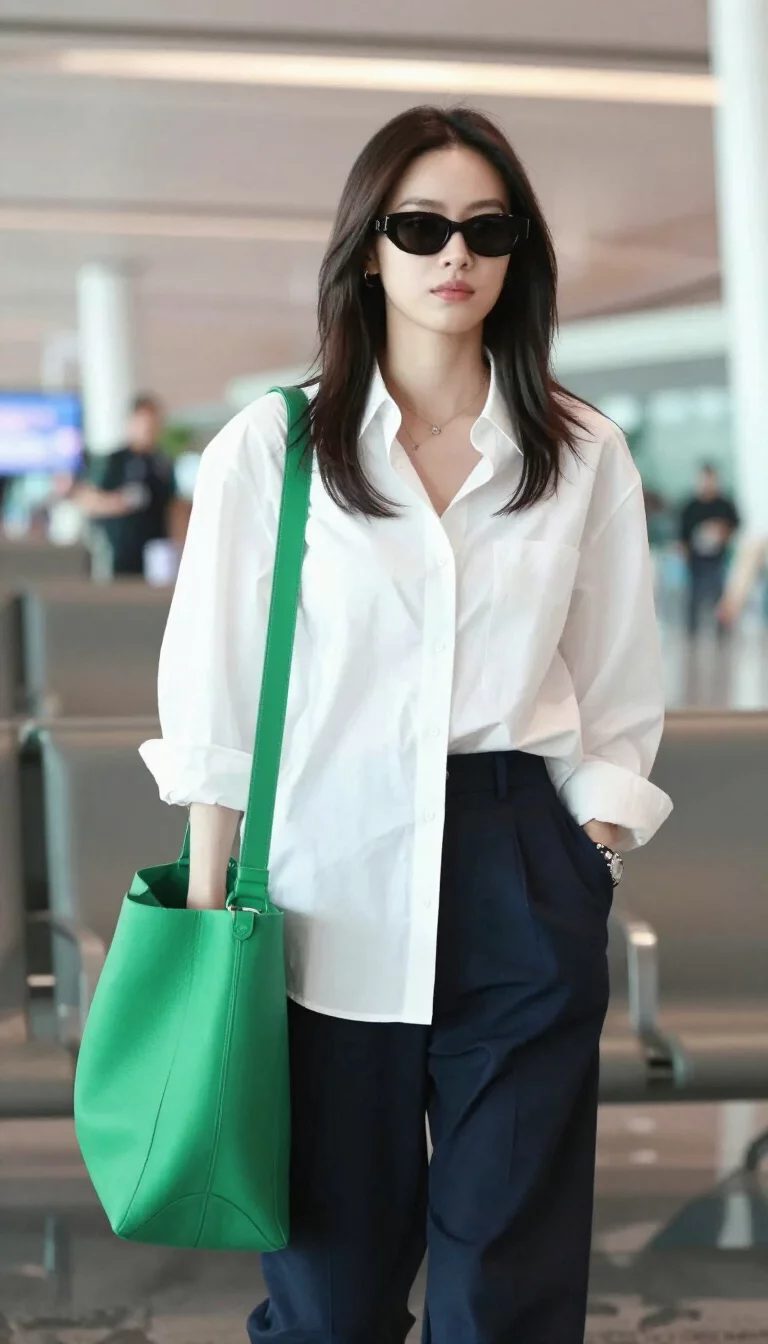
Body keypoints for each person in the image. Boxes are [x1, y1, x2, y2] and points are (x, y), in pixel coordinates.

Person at [140, 106, 673, 1344]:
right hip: (323, 876)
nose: (456, 254)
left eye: (487, 229)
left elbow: (618, 682)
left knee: (509, 1289)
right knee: (332, 1294)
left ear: (517, 254)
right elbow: (214, 700)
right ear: (367, 249)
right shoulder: (269, 449)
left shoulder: (582, 451)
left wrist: (589, 854)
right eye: (422, 225)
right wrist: (217, 918)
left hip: (518, 862)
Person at [69, 394, 178, 576]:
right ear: (132, 422)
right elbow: (86, 500)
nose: (148, 430)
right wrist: (120, 502)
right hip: (118, 553)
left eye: (153, 424)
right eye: (144, 423)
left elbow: (173, 507)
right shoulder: (114, 461)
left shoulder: (162, 464)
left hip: (155, 555)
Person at [679, 463, 740, 635]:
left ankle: (723, 631)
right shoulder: (690, 506)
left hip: (718, 559)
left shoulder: (724, 504)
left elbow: (735, 525)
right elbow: (682, 535)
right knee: (693, 597)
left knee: (719, 594)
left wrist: (722, 532)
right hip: (695, 560)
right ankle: (692, 632)